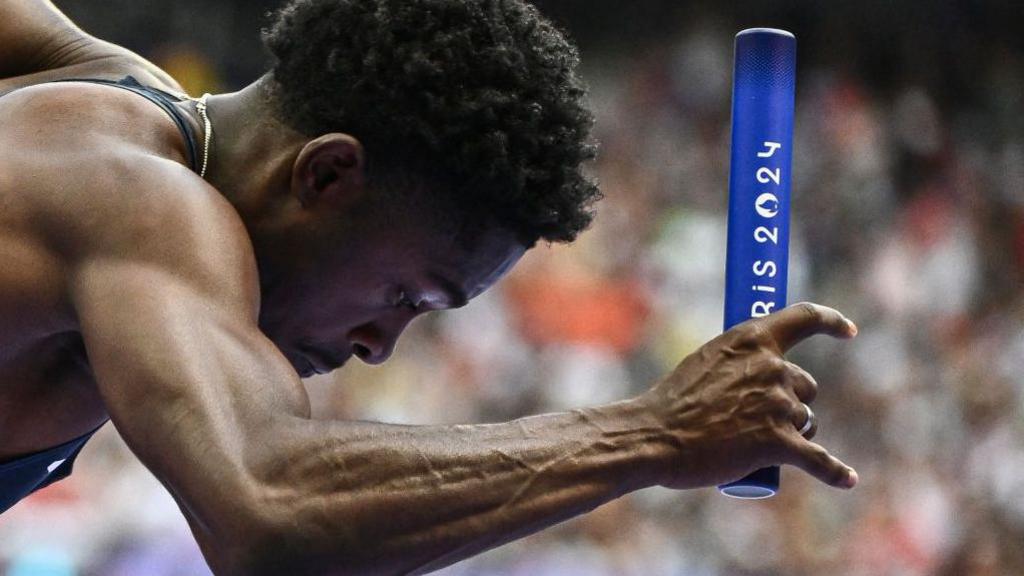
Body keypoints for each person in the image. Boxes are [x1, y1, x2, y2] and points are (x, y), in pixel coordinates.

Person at [0, 0, 859, 573]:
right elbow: (268, 506)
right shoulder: (138, 203)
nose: (377, 344)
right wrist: (656, 432)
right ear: (329, 175)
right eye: (411, 296)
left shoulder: (94, 84)